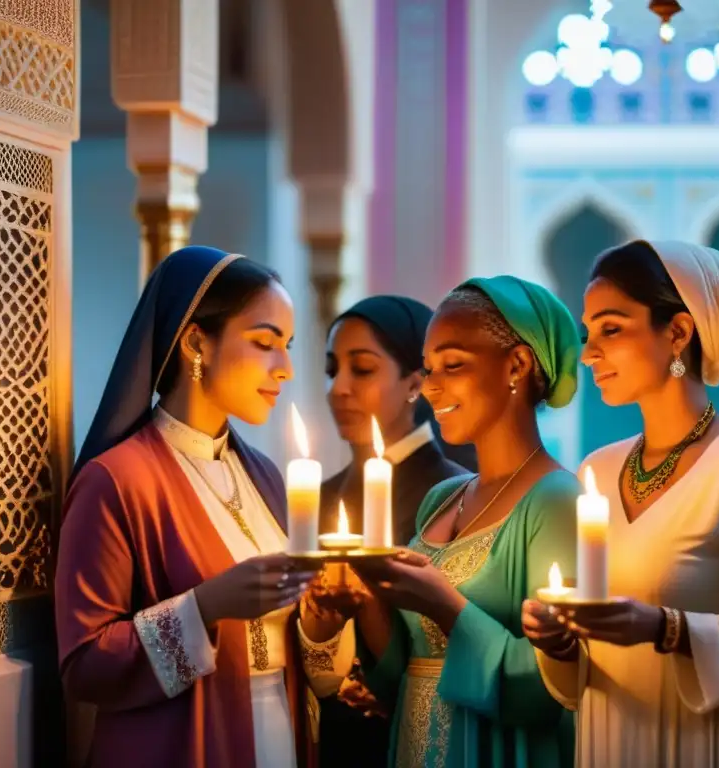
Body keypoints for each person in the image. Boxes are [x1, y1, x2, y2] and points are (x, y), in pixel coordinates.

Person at [521, 240, 719, 767]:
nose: (590, 353)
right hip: (611, 740)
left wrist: (667, 628)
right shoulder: (597, 471)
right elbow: (586, 666)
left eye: (611, 329)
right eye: (589, 334)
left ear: (678, 332)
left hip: (712, 747)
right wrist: (559, 640)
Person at [55, 246, 350, 768]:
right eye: (264, 343)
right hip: (180, 744)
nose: (284, 369)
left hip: (277, 733)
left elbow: (299, 660)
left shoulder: (266, 478)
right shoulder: (116, 481)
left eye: (288, 347)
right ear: (197, 342)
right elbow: (85, 666)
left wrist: (322, 623)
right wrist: (206, 606)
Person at [309, 275, 584, 767]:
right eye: (428, 368)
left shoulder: (557, 499)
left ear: (516, 365)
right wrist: (366, 604)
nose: (431, 388)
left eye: (453, 366)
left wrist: (444, 604)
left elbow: (549, 692)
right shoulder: (442, 498)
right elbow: (404, 671)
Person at [313, 295, 470, 766]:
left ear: (416, 384)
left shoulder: (452, 493)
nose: (338, 388)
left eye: (361, 369)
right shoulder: (316, 498)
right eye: (332, 369)